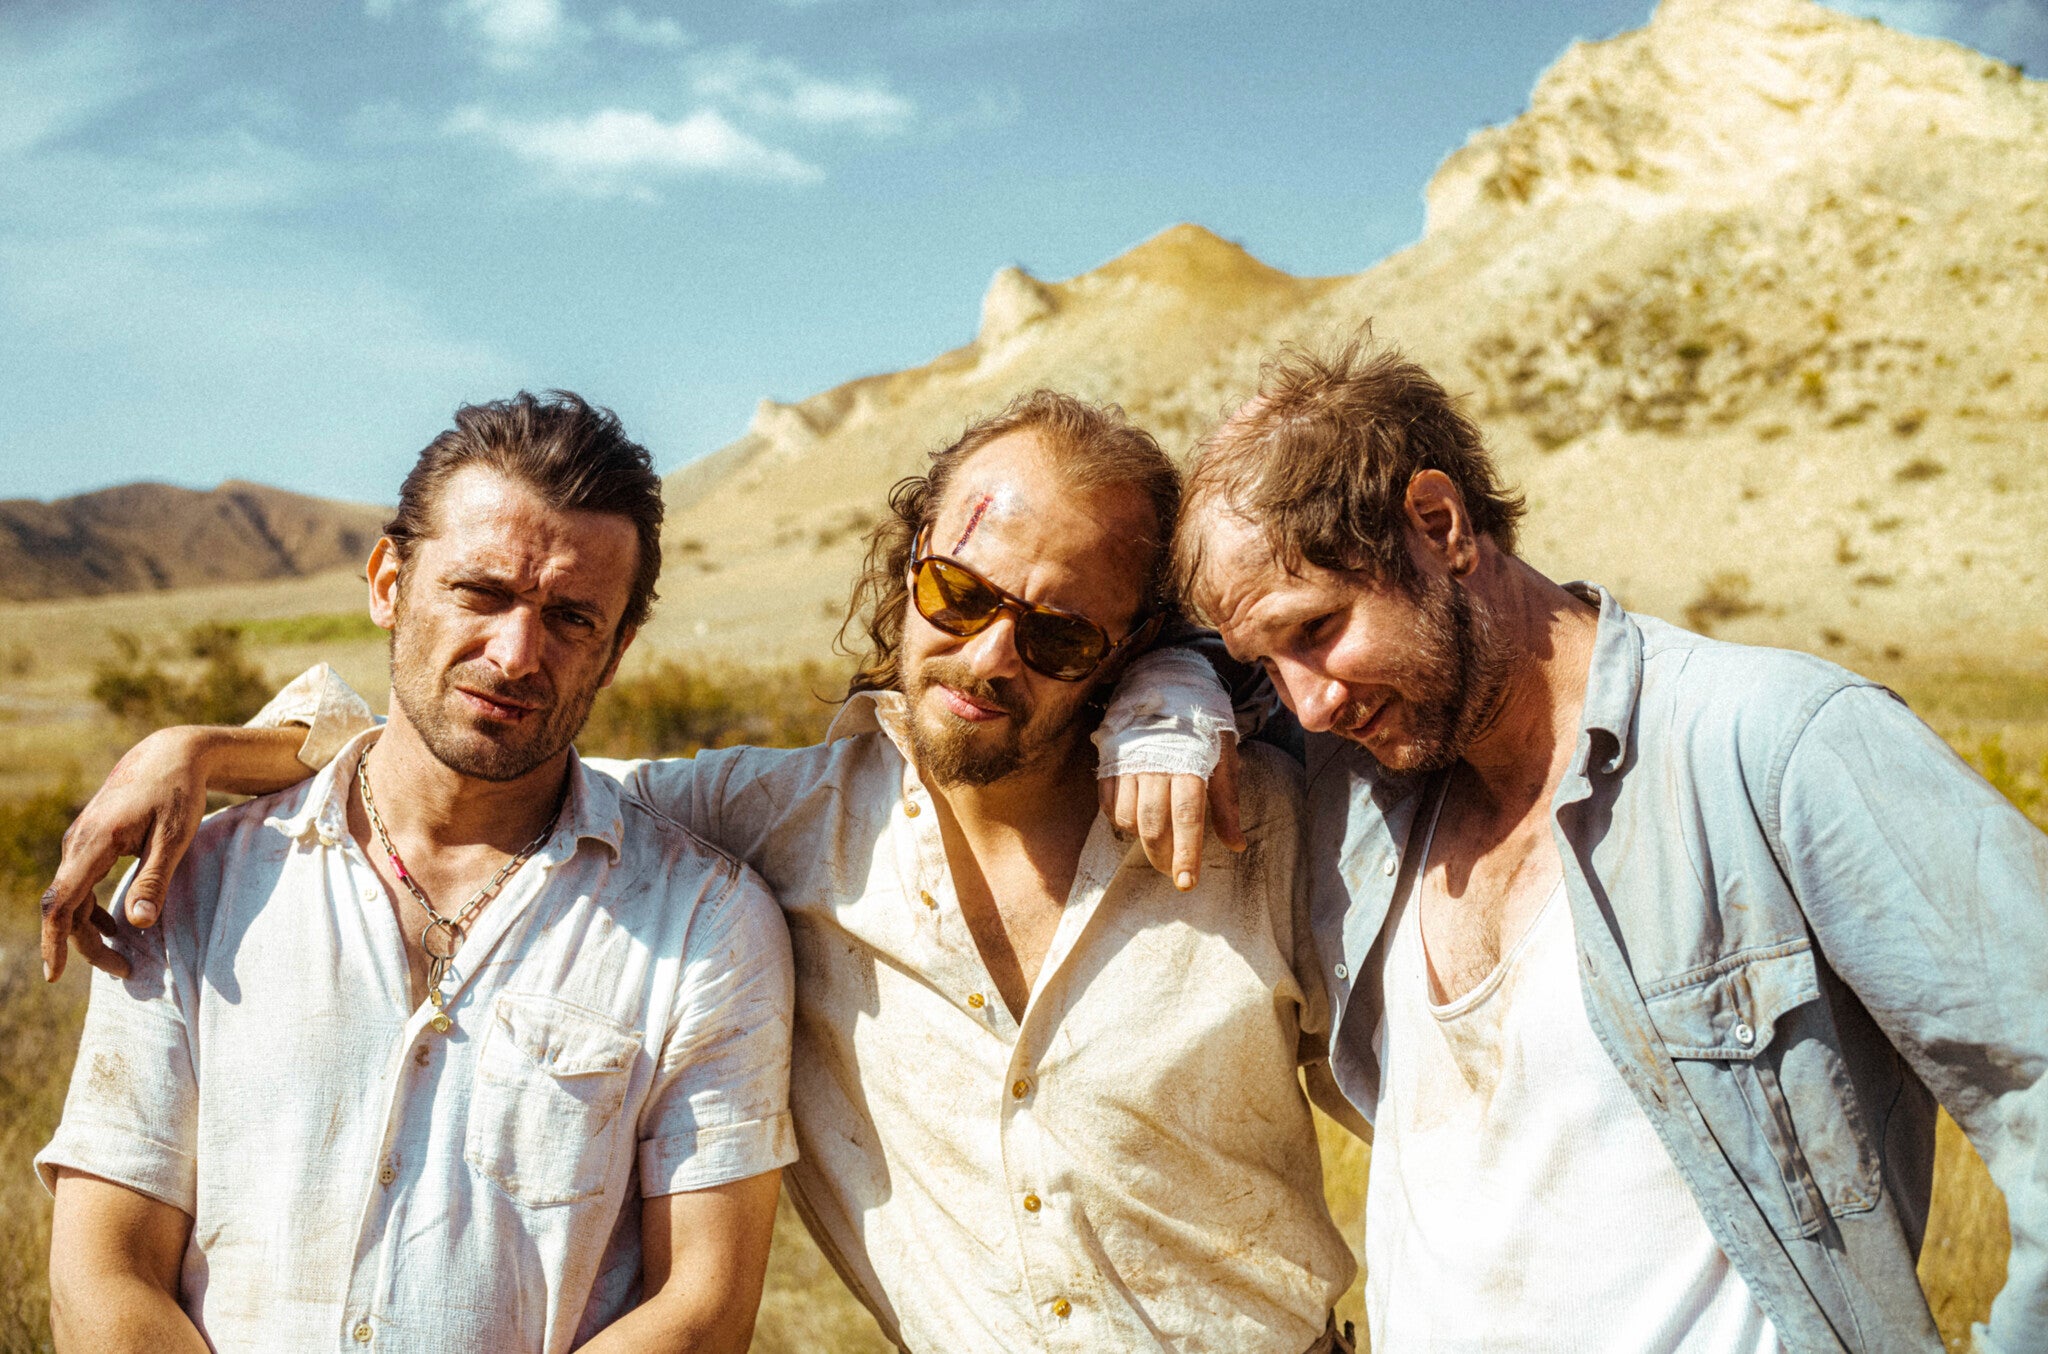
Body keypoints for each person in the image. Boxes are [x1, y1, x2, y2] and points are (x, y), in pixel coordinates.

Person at [42, 391, 1360, 1352]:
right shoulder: (768, 822)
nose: (989, 656)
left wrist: (1197, 682)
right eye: (959, 595)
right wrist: (201, 747)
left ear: (1126, 647)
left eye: (1061, 633)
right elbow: (497, 765)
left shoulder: (1261, 829)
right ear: (908, 565)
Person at [1169, 337, 2048, 1354]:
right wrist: (1167, 694)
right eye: (1267, 661)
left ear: (1438, 525)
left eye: (1317, 629)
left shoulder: (1772, 744)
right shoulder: (1358, 794)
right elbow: (1100, 628)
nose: (1309, 703)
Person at [36, 393, 794, 1353]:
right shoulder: (195, 881)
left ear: (615, 655)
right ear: (388, 583)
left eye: (571, 618)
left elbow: (701, 1309)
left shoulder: (705, 924)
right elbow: (103, 1271)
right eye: (481, 593)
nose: (516, 655)